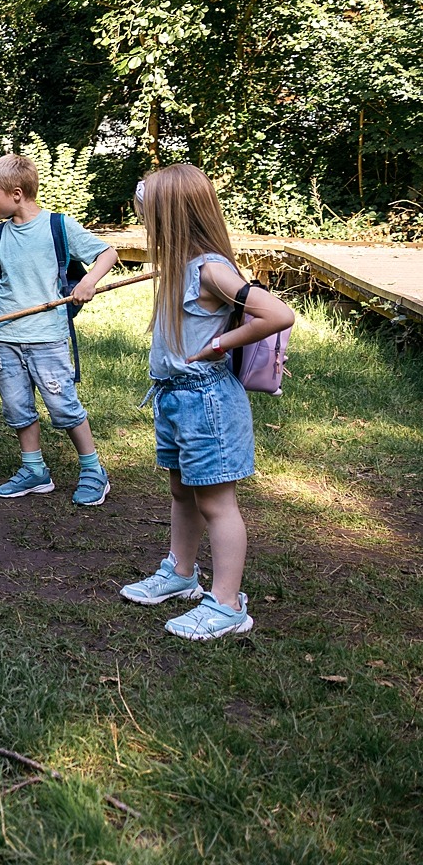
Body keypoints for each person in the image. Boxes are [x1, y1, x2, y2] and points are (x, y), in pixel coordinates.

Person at [117, 164, 293, 640]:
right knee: (182, 491)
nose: (144, 225)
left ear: (171, 215)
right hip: (175, 400)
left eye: (148, 216)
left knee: (216, 503)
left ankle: (228, 603)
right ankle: (181, 573)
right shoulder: (180, 265)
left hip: (207, 401)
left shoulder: (212, 268)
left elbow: (277, 313)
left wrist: (221, 344)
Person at [0, 153, 118, 505]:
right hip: (8, 339)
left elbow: (107, 253)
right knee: (17, 408)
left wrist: (88, 282)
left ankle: (93, 470)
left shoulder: (58, 226)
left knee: (64, 408)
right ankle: (35, 470)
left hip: (48, 338)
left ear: (16, 194)